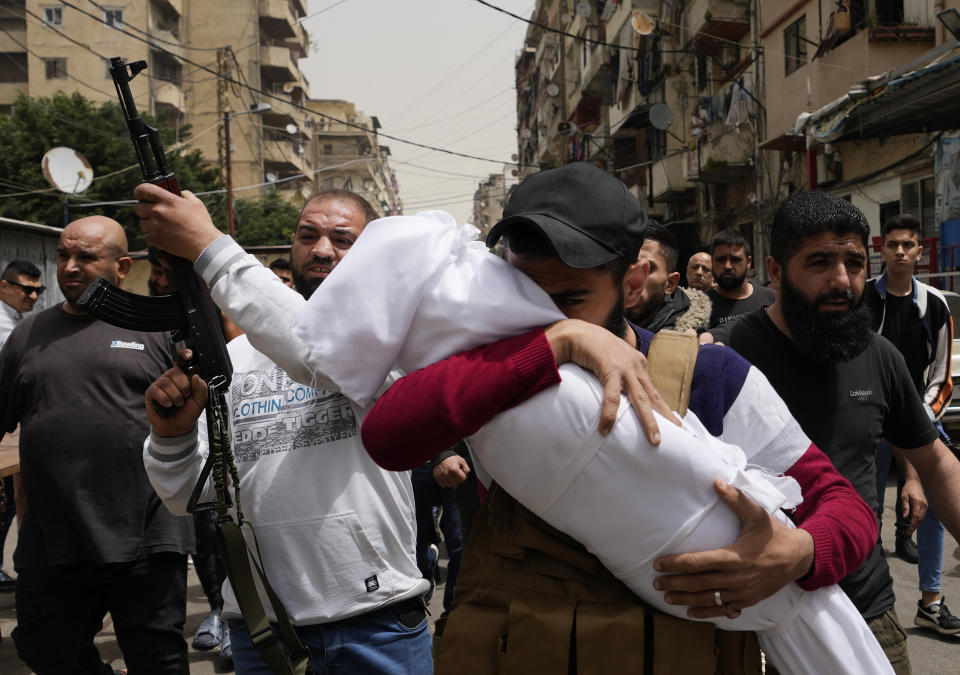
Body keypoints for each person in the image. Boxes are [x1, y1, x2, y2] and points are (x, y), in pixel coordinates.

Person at [298, 164, 882, 673]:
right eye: (521, 287)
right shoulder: (498, 364)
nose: (537, 313)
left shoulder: (710, 376)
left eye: (570, 299)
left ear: (631, 283)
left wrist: (799, 554)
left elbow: (846, 507)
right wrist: (559, 341)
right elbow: (390, 436)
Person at [135, 187, 433, 675]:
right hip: (263, 629)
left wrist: (208, 244)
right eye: (307, 235)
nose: (321, 249)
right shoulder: (230, 363)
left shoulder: (396, 341)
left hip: (378, 623)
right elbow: (192, 494)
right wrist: (172, 436)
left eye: (342, 239)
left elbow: (316, 346)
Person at [710, 191, 960, 673]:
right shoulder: (724, 358)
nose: (842, 281)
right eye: (820, 262)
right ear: (776, 271)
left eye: (854, 262)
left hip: (866, 615)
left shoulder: (879, 355)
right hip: (752, 625)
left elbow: (935, 459)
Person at [0, 216, 194, 674]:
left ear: (121, 267)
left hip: (147, 531)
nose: (69, 266)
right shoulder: (28, 334)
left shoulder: (161, 331)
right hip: (54, 533)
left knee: (157, 659)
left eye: (85, 256)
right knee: (45, 647)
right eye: (63, 256)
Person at [863, 214, 959, 636]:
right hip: (867, 419)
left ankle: (931, 603)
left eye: (908, 245)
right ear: (881, 250)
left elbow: (941, 376)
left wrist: (917, 417)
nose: (900, 251)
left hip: (919, 419)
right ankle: (862, 608)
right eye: (893, 244)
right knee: (863, 507)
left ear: (920, 251)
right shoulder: (862, 300)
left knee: (937, 505)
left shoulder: (935, 305)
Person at [0, 259, 43, 592]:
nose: (33, 296)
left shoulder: (16, 321)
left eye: (38, 290)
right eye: (27, 289)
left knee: (13, 503)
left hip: (13, 427)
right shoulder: (4, 326)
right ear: (5, 287)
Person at [627, 224, 711, 333]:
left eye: (646, 269)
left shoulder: (689, 340)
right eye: (625, 266)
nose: (631, 277)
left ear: (671, 283)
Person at [707, 228, 775, 328]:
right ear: (712, 261)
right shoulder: (701, 308)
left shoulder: (771, 299)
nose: (727, 266)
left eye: (735, 259)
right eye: (721, 260)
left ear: (748, 262)